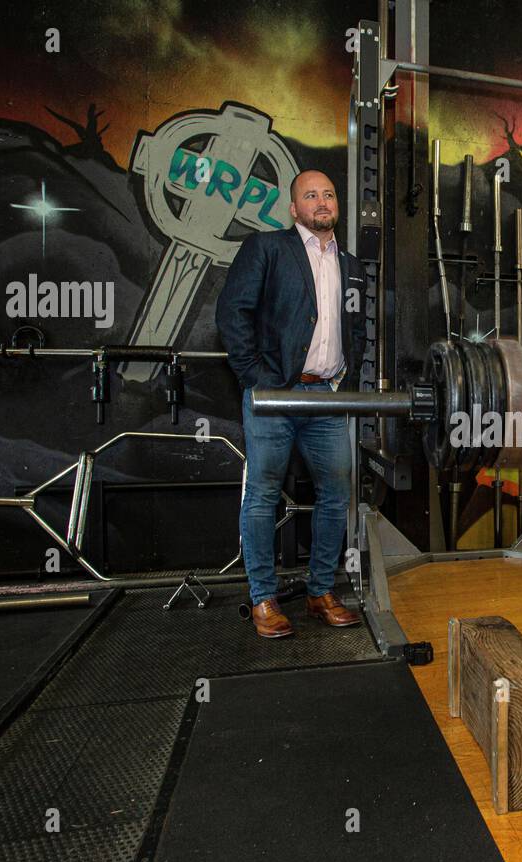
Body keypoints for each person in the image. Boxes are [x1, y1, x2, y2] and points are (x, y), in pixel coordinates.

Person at [216, 169, 365, 637]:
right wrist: (257, 379)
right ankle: (263, 599)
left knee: (336, 494)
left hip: (326, 395)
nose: (322, 201)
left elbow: (355, 329)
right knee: (261, 494)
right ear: (293, 208)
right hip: (274, 394)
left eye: (328, 193)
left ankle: (320, 592)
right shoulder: (267, 248)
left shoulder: (353, 264)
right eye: (310, 195)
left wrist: (348, 380)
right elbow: (231, 312)